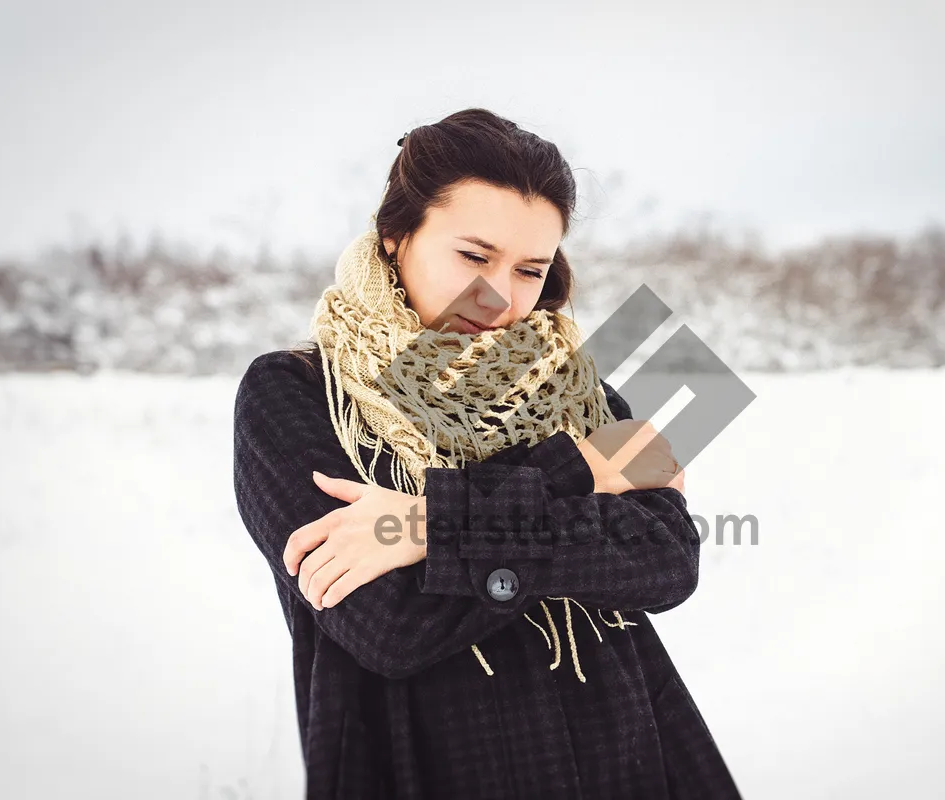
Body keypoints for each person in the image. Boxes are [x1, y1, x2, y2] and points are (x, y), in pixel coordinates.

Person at [232, 108, 742, 799]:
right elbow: (387, 625)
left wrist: (428, 526)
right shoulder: (296, 391)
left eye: (531, 269)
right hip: (428, 767)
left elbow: (664, 560)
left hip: (632, 756)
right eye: (473, 256)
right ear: (395, 235)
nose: (502, 296)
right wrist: (577, 471)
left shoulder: (576, 385)